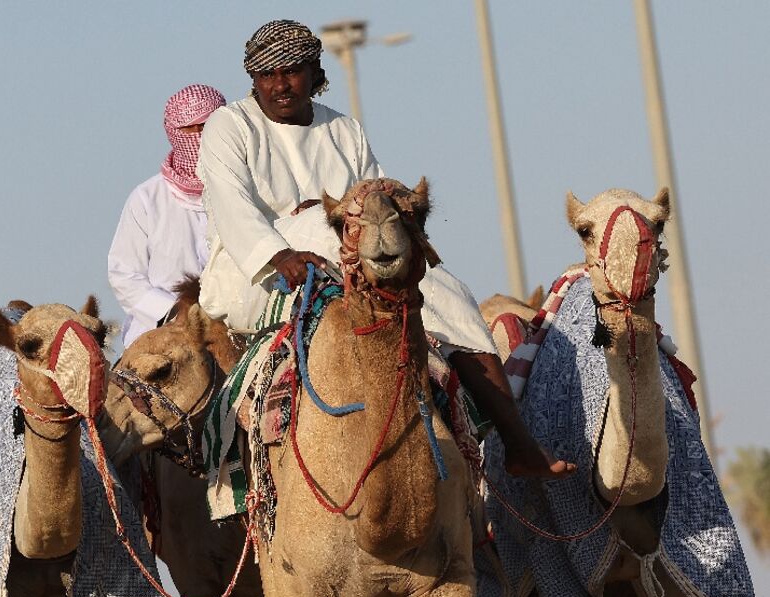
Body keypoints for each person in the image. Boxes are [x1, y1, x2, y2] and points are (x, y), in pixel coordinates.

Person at [197, 20, 572, 478]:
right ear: (253, 79)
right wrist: (279, 255)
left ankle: (516, 443)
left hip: (350, 258)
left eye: (291, 72)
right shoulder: (229, 126)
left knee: (445, 289)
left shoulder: (343, 129)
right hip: (260, 273)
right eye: (267, 75)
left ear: (314, 72)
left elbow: (377, 200)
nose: (279, 85)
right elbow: (233, 206)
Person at [108, 83, 226, 347]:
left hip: (235, 328)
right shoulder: (147, 198)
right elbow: (124, 274)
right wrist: (172, 312)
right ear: (174, 132)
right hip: (161, 333)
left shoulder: (247, 190)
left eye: (205, 126)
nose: (197, 135)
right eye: (188, 128)